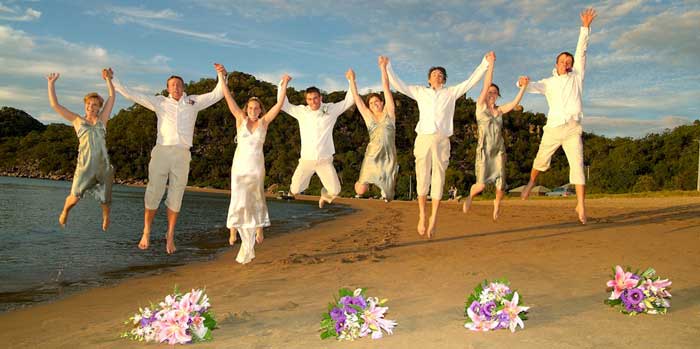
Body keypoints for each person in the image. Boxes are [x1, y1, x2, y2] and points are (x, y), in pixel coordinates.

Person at [112, 65, 226, 254]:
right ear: (167, 88)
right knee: (154, 191)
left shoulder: (192, 101)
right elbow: (133, 94)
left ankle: (170, 234)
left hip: (182, 154)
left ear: (183, 87)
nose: (176, 87)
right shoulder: (160, 102)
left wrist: (221, 75)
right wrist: (113, 80)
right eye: (172, 85)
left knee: (176, 195)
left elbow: (218, 94)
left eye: (179, 84)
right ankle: (146, 230)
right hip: (162, 151)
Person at [384, 52, 491, 237]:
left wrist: (485, 63)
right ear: (429, 78)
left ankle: (434, 217)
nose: (438, 76)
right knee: (422, 176)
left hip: (442, 139)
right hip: (423, 138)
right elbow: (398, 84)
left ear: (444, 79)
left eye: (441, 74)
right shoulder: (420, 91)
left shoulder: (450, 93)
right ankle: (422, 215)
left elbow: (471, 81)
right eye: (434, 74)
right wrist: (387, 67)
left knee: (438, 178)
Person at [520, 8, 597, 225]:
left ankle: (581, 205)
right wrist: (521, 83)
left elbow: (581, 50)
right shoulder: (548, 82)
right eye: (562, 60)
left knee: (577, 166)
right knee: (541, 159)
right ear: (556, 64)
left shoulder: (577, 77)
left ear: (571, 65)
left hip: (573, 128)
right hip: (553, 129)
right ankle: (530, 184)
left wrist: (585, 28)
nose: (566, 62)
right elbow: (530, 86)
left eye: (568, 60)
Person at [219, 63, 291, 264]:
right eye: (250, 107)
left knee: (257, 197)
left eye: (256, 108)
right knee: (238, 197)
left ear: (260, 110)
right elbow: (228, 98)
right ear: (247, 109)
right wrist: (221, 78)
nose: (253, 110)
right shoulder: (239, 119)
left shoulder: (264, 122)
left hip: (257, 167)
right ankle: (233, 231)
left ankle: (259, 230)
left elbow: (278, 105)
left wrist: (283, 84)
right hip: (240, 166)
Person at [461, 52, 528, 220]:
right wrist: (491, 64)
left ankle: (497, 206)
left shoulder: (499, 111)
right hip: (484, 151)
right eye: (489, 92)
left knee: (501, 183)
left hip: (498, 150)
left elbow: (513, 104)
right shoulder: (480, 107)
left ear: (498, 96)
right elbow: (486, 84)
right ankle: (470, 197)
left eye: (495, 92)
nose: (491, 94)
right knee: (481, 185)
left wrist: (523, 88)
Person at [47, 69, 116, 231]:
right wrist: (51, 84)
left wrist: (108, 79)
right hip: (84, 166)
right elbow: (55, 105)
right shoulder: (77, 120)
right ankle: (65, 211)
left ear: (99, 107)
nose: (91, 107)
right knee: (74, 198)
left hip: (102, 165)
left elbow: (112, 97)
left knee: (105, 200)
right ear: (85, 106)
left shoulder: (102, 120)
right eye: (88, 104)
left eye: (95, 104)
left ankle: (106, 217)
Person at [276, 72, 355, 208]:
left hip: (324, 160)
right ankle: (291, 192)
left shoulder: (330, 109)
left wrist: (351, 80)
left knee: (335, 191)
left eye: (315, 98)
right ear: (306, 100)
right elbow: (283, 104)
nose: (313, 101)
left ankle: (324, 195)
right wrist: (283, 84)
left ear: (320, 97)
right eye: (310, 99)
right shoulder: (302, 111)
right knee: (295, 190)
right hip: (306, 160)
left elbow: (350, 100)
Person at [346, 56, 398, 201]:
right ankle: (362, 184)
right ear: (369, 106)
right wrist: (351, 80)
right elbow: (357, 99)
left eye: (377, 101)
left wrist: (383, 67)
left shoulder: (390, 113)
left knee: (388, 196)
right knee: (361, 190)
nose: (374, 104)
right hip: (372, 154)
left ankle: (383, 191)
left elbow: (386, 87)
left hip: (388, 155)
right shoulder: (368, 116)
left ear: (382, 103)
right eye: (371, 102)